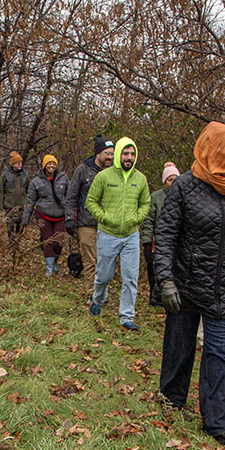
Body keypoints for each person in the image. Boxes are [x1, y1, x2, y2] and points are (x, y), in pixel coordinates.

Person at [154, 122, 225, 447]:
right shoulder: (185, 187)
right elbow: (166, 237)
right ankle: (172, 396)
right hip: (185, 282)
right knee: (180, 345)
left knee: (219, 353)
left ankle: (221, 424)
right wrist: (165, 280)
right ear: (214, 152)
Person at [85, 137, 150, 330]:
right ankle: (98, 298)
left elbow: (146, 203)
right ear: (118, 154)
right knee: (103, 276)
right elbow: (91, 201)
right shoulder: (104, 177)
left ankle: (126, 318)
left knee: (130, 277)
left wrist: (137, 218)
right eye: (125, 153)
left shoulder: (140, 179)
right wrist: (103, 217)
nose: (129, 157)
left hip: (131, 235)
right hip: (108, 233)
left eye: (132, 154)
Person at [65, 136, 114, 302]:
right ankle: (92, 294)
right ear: (98, 154)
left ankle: (102, 292)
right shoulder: (83, 170)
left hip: (108, 223)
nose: (110, 157)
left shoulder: (114, 171)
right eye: (107, 153)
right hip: (86, 222)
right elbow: (72, 195)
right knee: (90, 259)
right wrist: (69, 218)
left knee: (105, 259)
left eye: (112, 154)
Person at [22, 154, 70, 275]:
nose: (51, 166)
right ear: (44, 165)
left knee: (59, 241)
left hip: (60, 215)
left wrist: (71, 214)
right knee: (48, 241)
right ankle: (49, 268)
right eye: (49, 163)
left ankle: (55, 261)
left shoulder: (63, 178)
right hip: (43, 214)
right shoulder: (36, 182)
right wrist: (26, 218)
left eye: (53, 163)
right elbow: (30, 200)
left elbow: (70, 197)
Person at [141, 162, 181, 295]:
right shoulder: (155, 197)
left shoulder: (184, 196)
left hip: (178, 240)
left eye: (175, 179)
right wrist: (146, 242)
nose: (173, 183)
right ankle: (154, 294)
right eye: (170, 180)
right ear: (165, 181)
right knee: (155, 269)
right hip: (157, 240)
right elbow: (148, 221)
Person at [0, 151, 30, 237]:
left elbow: (29, 191)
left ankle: (16, 245)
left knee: (20, 228)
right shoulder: (5, 175)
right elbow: (0, 191)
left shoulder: (25, 175)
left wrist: (28, 205)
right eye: (17, 163)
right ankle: (11, 244)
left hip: (21, 207)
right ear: (13, 164)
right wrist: (0, 207)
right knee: (10, 228)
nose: (20, 164)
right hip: (9, 207)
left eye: (21, 163)